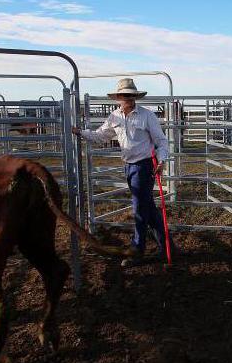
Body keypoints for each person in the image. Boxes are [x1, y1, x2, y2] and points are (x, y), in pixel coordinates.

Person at [72, 78, 173, 267]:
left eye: (131, 95)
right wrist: (80, 132)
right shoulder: (114, 117)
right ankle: (166, 246)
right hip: (128, 166)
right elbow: (101, 135)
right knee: (148, 208)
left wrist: (161, 161)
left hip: (144, 166)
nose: (128, 98)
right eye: (124, 95)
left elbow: (161, 141)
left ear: (135, 96)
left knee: (139, 208)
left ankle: (137, 248)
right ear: (118, 97)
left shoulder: (146, 116)